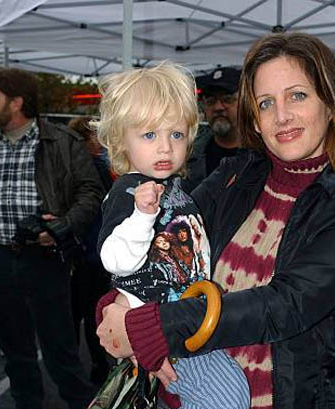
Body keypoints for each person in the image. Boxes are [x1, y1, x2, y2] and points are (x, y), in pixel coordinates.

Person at [96, 33, 335, 409]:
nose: (282, 115)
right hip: (184, 390)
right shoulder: (234, 175)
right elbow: (166, 246)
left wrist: (153, 327)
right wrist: (120, 305)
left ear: (331, 104)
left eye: (297, 95)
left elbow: (287, 303)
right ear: (255, 121)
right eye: (265, 103)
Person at [94, 62, 249, 409]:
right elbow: (113, 259)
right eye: (149, 135)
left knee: (226, 393)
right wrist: (141, 218)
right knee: (225, 397)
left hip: (181, 318)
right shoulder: (130, 191)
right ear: (121, 140)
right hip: (161, 321)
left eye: (176, 135)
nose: (165, 147)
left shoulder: (173, 188)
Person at [0, 68, 104, 409]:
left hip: (45, 260)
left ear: (16, 102)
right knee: (15, 354)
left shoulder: (62, 142)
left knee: (61, 352)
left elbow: (90, 193)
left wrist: (60, 228)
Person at [67, 116, 113, 384]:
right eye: (95, 135)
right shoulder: (94, 167)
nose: (101, 141)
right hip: (89, 252)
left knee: (78, 313)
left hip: (84, 252)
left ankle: (89, 365)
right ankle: (98, 365)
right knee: (88, 312)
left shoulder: (79, 168)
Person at [184, 67, 241, 192]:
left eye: (227, 99)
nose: (218, 107)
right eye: (210, 101)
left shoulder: (264, 155)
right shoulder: (190, 156)